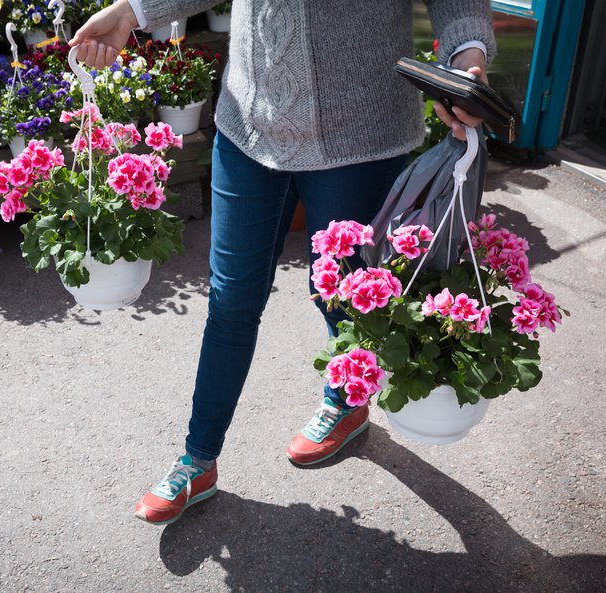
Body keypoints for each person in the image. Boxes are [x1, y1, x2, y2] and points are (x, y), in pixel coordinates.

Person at [70, 0, 495, 526]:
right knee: (231, 301)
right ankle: (197, 460)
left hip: (358, 135)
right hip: (250, 122)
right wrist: (133, 10)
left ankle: (346, 400)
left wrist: (467, 58)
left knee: (345, 294)